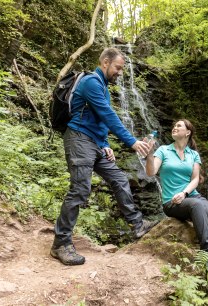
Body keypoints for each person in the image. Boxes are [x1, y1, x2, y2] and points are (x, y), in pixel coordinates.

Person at [51, 47, 158, 266]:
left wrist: (105, 144)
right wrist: (132, 142)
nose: (120, 72)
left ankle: (138, 225)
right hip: (79, 139)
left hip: (94, 143)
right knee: (80, 189)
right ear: (106, 62)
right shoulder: (91, 82)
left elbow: (99, 120)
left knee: (119, 180)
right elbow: (108, 115)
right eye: (118, 68)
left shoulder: (103, 88)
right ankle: (61, 243)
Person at [145, 119, 208, 270]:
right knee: (196, 205)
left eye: (179, 126)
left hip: (191, 196)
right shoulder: (163, 150)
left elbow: (195, 179)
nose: (174, 128)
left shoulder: (193, 155)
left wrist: (184, 193)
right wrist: (150, 154)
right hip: (171, 202)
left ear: (188, 132)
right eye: (174, 125)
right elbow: (151, 172)